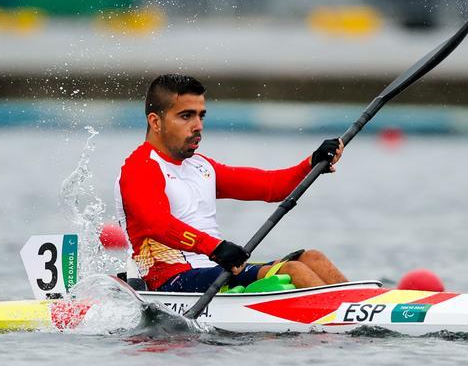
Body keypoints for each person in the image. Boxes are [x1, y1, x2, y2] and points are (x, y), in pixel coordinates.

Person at [115, 74, 350, 293]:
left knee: (312, 258)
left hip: (214, 271)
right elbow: (157, 224)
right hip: (170, 281)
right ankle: (352, 319)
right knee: (294, 270)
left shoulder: (201, 167)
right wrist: (215, 248)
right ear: (155, 122)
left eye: (201, 115)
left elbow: (271, 186)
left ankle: (369, 304)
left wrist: (310, 163)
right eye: (186, 116)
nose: (198, 126)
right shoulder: (140, 167)